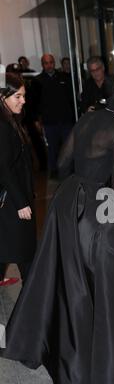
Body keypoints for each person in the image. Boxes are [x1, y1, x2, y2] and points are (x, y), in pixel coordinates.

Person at [0, 75, 114, 384]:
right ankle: (105, 377)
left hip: (67, 206)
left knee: (71, 283)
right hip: (99, 213)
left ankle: (68, 357)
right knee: (113, 290)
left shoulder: (87, 117)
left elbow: (61, 164)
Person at [0, 73, 36, 286]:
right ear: (2, 96)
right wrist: (21, 201)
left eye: (23, 96)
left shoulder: (9, 120)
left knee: (13, 249)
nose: (23, 101)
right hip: (13, 201)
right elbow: (3, 167)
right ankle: (33, 302)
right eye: (18, 97)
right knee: (24, 252)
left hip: (16, 197)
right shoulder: (3, 126)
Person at [31, 53, 74, 178]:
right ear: (42, 65)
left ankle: (70, 169)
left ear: (54, 63)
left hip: (66, 119)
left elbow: (71, 98)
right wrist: (37, 121)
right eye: (46, 63)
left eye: (51, 62)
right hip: (49, 121)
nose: (49, 65)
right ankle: (54, 171)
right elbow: (34, 102)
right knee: (53, 148)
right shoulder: (37, 81)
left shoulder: (64, 77)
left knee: (69, 146)